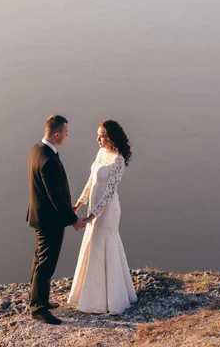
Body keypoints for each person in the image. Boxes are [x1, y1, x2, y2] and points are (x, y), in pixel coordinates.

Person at [68, 119, 138, 315]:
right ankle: (89, 293)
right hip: (93, 205)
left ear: (112, 137)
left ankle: (109, 298)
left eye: (103, 136)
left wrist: (91, 217)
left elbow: (108, 194)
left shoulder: (118, 160)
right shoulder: (101, 153)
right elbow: (91, 181)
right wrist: (78, 205)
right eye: (98, 135)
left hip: (108, 212)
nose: (98, 139)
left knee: (104, 243)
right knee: (92, 243)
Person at [27, 115, 86, 325]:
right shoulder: (48, 161)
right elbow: (55, 196)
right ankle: (38, 308)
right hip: (49, 221)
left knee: (39, 260)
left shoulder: (37, 151)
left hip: (40, 216)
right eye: (66, 133)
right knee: (46, 264)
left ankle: (37, 299)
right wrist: (73, 220)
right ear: (57, 134)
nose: (68, 136)